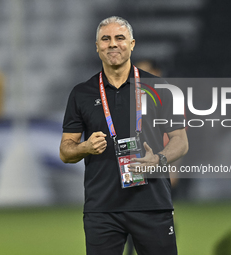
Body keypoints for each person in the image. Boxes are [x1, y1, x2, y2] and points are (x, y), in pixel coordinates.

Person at [60, 16, 188, 255]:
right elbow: (65, 151)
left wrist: (158, 160)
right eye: (105, 39)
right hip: (102, 208)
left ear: (132, 44)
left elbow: (180, 141)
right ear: (97, 46)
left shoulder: (160, 88)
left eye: (120, 38)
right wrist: (84, 147)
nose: (112, 44)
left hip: (152, 204)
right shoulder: (81, 93)